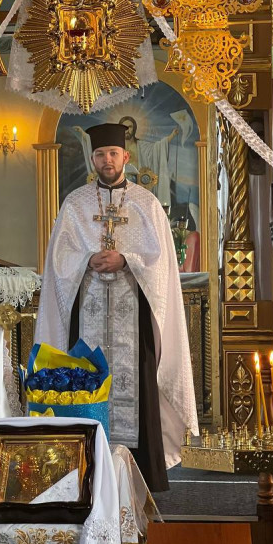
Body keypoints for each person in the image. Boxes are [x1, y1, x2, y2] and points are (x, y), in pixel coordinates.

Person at [35, 123, 198, 491]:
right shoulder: (75, 204)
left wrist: (126, 260)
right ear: (93, 159)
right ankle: (83, 477)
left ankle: (140, 480)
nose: (106, 160)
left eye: (112, 153)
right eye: (100, 154)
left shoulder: (146, 203)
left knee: (137, 387)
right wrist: (86, 259)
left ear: (125, 156)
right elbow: (58, 259)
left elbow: (161, 263)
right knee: (84, 380)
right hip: (87, 315)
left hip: (133, 318)